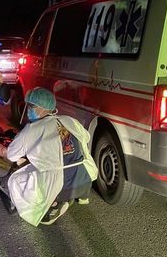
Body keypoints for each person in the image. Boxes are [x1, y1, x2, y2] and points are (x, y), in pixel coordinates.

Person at [6, 87, 98, 226]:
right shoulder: (69, 120)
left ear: (43, 108)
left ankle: (51, 206)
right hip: (85, 174)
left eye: (31, 106)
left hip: (58, 183)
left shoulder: (32, 129)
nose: (28, 109)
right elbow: (86, 137)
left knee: (16, 180)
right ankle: (71, 198)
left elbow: (12, 155)